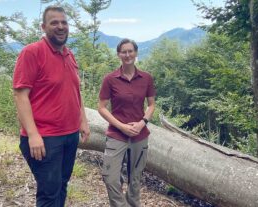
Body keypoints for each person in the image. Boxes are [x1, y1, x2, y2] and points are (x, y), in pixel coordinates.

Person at [13, 5, 90, 207]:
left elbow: (75, 91)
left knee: (62, 185)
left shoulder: (69, 54)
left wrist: (83, 120)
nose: (60, 26)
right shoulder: (32, 52)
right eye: (54, 22)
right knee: (49, 192)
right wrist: (33, 134)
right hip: (45, 138)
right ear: (43, 27)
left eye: (64, 22)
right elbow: (20, 95)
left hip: (70, 135)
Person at [98, 38, 156, 207]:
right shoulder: (110, 79)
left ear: (136, 53)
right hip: (117, 134)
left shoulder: (146, 78)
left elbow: (151, 105)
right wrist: (121, 126)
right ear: (119, 54)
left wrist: (142, 122)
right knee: (110, 177)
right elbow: (102, 107)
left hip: (140, 134)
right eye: (124, 51)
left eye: (130, 51)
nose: (127, 54)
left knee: (135, 179)